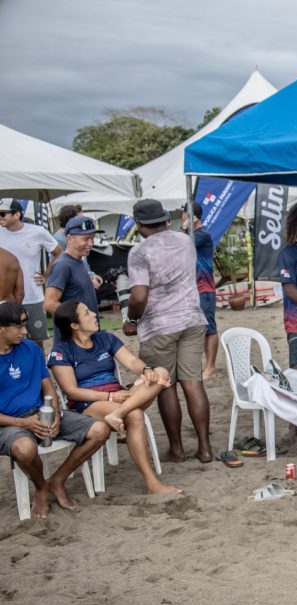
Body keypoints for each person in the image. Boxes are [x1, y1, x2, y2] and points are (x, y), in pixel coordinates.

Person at [48, 300, 181, 492]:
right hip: (89, 403)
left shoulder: (105, 339)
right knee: (135, 415)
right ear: (74, 325)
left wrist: (145, 369)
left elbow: (131, 361)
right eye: (86, 313)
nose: (94, 314)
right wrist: (109, 397)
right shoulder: (62, 351)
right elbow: (72, 391)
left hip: (120, 398)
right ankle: (152, 483)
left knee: (161, 372)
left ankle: (119, 413)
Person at [0, 301, 111, 518]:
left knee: (100, 430)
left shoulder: (31, 348)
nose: (25, 331)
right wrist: (23, 423)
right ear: (1, 329)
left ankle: (57, 480)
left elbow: (47, 386)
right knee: (24, 449)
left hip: (41, 412)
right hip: (9, 424)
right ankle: (41, 487)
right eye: (18, 326)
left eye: (26, 324)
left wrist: (57, 414)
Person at [125, 199, 213, 464]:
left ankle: (177, 448)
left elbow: (139, 296)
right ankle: (205, 447)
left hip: (159, 324)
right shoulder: (186, 240)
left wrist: (131, 319)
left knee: (165, 386)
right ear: (165, 219)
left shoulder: (139, 252)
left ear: (139, 225)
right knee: (193, 382)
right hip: (192, 318)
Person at [0, 198, 62, 348]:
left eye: (3, 214)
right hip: (6, 299)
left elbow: (59, 252)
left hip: (32, 296)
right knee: (7, 343)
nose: (0, 217)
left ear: (17, 215)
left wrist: (47, 276)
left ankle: (39, 371)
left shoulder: (37, 231)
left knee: (36, 341)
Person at [43, 215, 101, 345]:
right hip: (72, 341)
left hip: (86, 337)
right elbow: (49, 303)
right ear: (69, 238)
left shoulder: (81, 261)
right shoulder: (63, 265)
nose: (90, 243)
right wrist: (81, 320)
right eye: (85, 239)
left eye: (92, 238)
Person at [186, 202, 218, 379]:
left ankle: (211, 366)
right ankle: (205, 365)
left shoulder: (202, 234)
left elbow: (182, 245)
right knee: (198, 329)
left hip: (204, 288)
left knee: (209, 328)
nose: (183, 219)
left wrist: (184, 228)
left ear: (193, 217)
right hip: (193, 288)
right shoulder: (193, 235)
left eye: (184, 215)